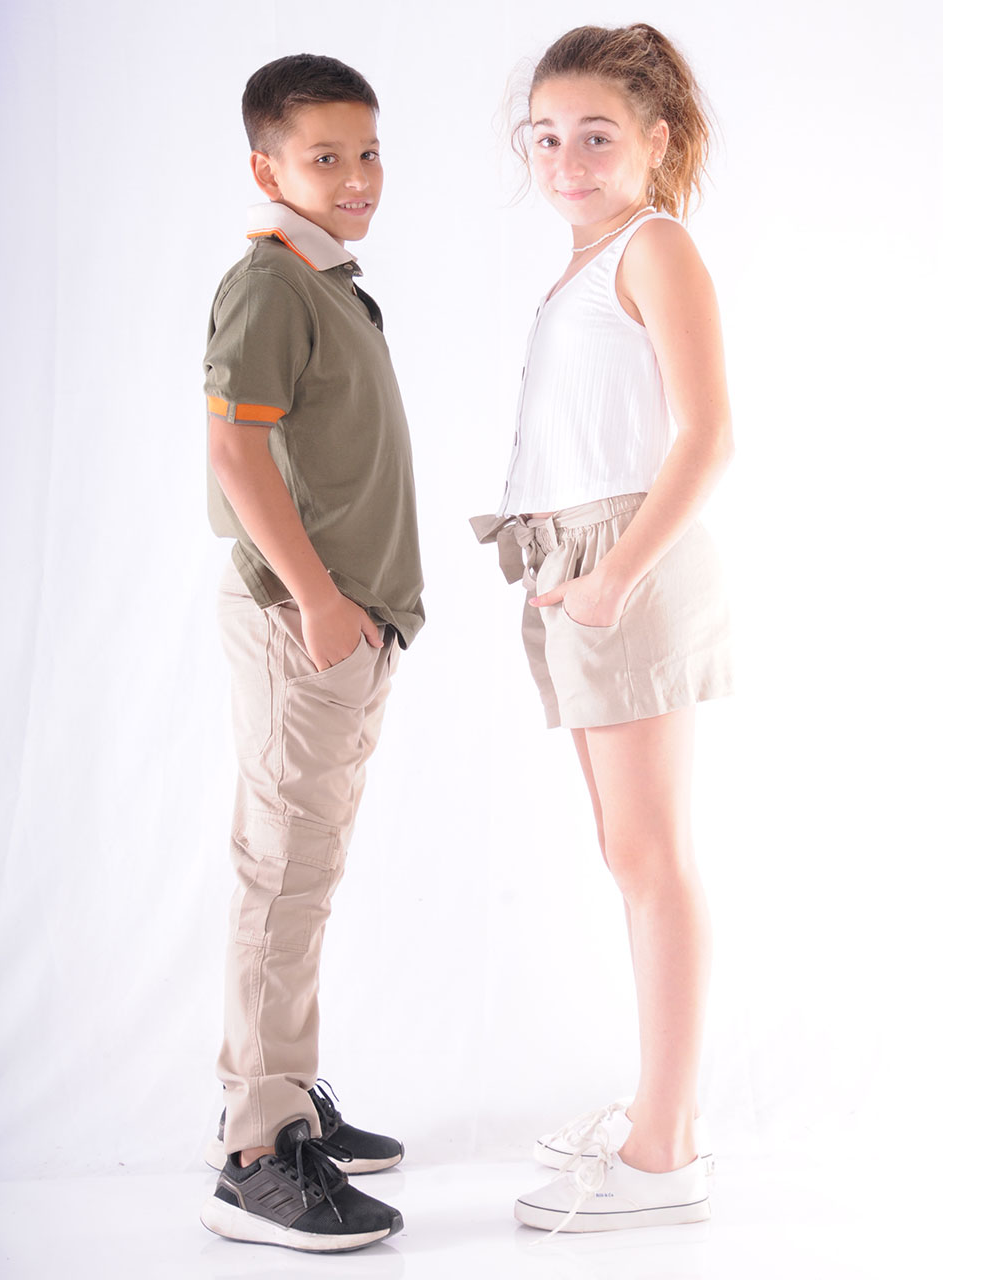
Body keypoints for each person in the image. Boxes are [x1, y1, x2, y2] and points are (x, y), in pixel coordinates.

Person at [472, 22, 734, 1233]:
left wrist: (614, 576)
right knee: (629, 852)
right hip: (572, 565)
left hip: (622, 560)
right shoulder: (585, 262)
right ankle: (656, 1119)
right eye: (545, 138)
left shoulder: (653, 244)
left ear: (654, 141)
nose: (564, 160)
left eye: (594, 136)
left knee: (649, 855)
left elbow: (707, 438)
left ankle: (662, 1147)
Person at [198, 53, 424, 1254]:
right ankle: (255, 1151)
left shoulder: (326, 281)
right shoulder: (270, 282)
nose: (355, 176)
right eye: (323, 155)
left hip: (339, 623)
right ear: (265, 167)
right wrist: (321, 601)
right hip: (305, 624)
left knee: (302, 869)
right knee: (282, 873)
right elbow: (233, 452)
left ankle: (280, 1093)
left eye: (367, 151)